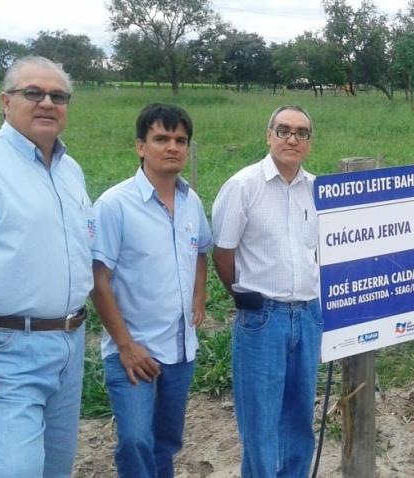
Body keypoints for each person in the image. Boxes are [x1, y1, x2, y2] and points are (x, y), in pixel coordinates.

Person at [0, 56, 92, 477]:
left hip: (69, 347)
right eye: (33, 93)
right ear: (5, 101)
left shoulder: (71, 171)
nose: (47, 103)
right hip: (4, 351)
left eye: (58, 96)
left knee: (55, 469)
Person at [91, 104, 212, 477]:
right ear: (141, 146)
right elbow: (98, 281)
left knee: (166, 441)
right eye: (161, 138)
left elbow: (202, 250)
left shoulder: (192, 201)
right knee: (135, 440)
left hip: (179, 349)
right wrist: (125, 345)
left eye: (180, 140)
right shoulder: (114, 205)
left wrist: (198, 295)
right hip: (134, 350)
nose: (172, 147)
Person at [211, 106, 322, 478]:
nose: (293, 139)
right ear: (268, 134)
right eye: (284, 130)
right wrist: (244, 298)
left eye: (302, 133)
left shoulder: (316, 189)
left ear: (309, 141)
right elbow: (223, 253)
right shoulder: (243, 186)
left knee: (299, 417)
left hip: (307, 316)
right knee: (260, 422)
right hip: (262, 319)